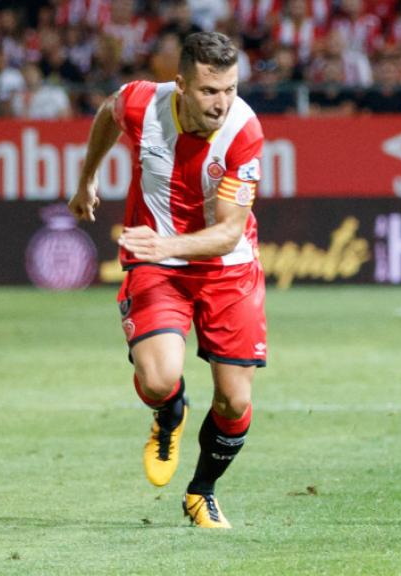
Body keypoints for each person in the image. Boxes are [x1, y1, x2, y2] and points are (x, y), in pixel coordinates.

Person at [68, 32, 266, 529]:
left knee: (235, 400)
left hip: (227, 268)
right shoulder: (143, 102)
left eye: (230, 89)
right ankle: (169, 412)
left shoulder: (244, 133)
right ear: (180, 85)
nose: (222, 104)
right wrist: (88, 176)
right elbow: (107, 114)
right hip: (158, 266)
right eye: (209, 91)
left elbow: (225, 233)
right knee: (157, 380)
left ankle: (202, 491)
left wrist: (168, 245)